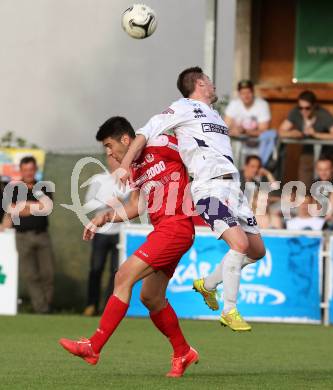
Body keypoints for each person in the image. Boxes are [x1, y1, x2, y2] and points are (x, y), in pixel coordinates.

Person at [118, 66, 266, 331]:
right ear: (199, 83)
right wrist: (125, 165)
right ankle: (229, 310)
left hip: (233, 187)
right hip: (208, 188)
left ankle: (207, 285)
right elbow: (144, 133)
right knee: (240, 244)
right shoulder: (182, 107)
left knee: (257, 251)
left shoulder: (217, 116)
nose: (213, 84)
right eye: (209, 80)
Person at [59, 116, 199, 378]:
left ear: (126, 139)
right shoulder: (134, 168)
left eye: (110, 145)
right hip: (166, 230)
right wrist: (105, 216)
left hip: (177, 226)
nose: (109, 152)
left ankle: (93, 346)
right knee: (151, 297)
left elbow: (196, 153)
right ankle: (183, 352)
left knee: (123, 276)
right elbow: (137, 205)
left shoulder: (161, 143)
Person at [0, 156, 55, 313]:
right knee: (31, 275)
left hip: (42, 236)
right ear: (21, 171)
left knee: (48, 274)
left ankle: (47, 304)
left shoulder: (44, 187)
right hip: (22, 237)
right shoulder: (14, 189)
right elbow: (12, 210)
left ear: (35, 170)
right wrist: (33, 206)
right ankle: (42, 309)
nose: (28, 173)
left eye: (31, 169)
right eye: (25, 170)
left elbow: (45, 207)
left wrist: (23, 206)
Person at [83, 155, 130, 316]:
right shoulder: (99, 179)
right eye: (111, 158)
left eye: (117, 158)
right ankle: (91, 305)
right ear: (108, 160)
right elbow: (88, 202)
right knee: (96, 269)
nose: (114, 161)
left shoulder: (128, 181)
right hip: (101, 232)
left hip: (121, 233)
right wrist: (107, 202)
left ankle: (108, 308)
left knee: (116, 272)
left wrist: (122, 203)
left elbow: (133, 204)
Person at [279, 90, 333, 189]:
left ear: (314, 106)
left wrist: (316, 134)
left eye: (307, 108)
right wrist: (293, 134)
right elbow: (281, 131)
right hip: (307, 152)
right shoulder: (295, 112)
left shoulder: (323, 114)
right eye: (300, 107)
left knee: (325, 185)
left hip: (326, 154)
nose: (303, 111)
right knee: (304, 185)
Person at [224, 79, 275, 166]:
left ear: (253, 92)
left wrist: (244, 131)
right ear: (239, 94)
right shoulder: (234, 104)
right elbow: (224, 128)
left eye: (248, 92)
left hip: (258, 151)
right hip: (237, 150)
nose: (246, 96)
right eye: (243, 93)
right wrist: (233, 130)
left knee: (256, 177)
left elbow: (264, 131)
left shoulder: (262, 105)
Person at [239, 155, 282, 229]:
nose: (255, 170)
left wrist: (267, 173)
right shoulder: (236, 179)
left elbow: (275, 188)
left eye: (258, 167)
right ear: (245, 166)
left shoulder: (256, 183)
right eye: (252, 166)